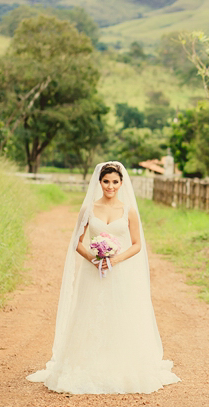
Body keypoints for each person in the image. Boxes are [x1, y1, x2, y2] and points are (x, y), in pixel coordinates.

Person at [27, 161, 180, 394]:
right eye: (106, 181)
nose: (110, 186)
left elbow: (137, 245)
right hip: (93, 271)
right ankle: (86, 363)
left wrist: (114, 261)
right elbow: (77, 243)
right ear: (99, 182)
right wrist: (95, 260)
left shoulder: (128, 210)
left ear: (121, 184)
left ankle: (121, 364)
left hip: (120, 273)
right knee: (90, 313)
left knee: (120, 314)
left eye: (115, 182)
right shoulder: (88, 209)